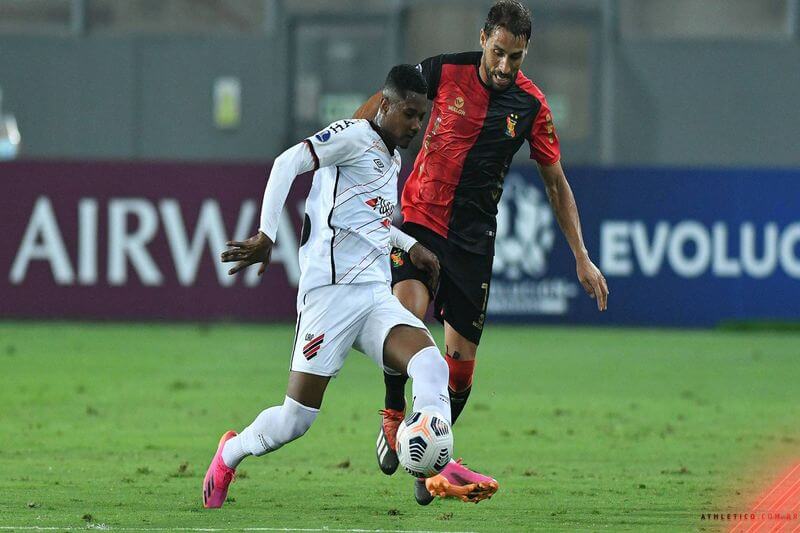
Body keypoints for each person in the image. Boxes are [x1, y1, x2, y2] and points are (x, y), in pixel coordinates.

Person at [354, 0, 609, 505]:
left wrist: (581, 254)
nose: (504, 66)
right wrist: (345, 148)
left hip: (474, 243)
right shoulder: (442, 71)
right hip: (421, 220)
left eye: (516, 58)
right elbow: (380, 106)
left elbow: (555, 183)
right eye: (498, 53)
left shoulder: (531, 106)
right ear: (484, 38)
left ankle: (425, 457)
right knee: (407, 317)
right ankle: (391, 417)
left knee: (460, 367)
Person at [203, 65, 488, 509]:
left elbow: (370, 224)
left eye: (422, 117)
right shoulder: (354, 136)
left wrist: (411, 245)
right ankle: (230, 453)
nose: (417, 125)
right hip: (329, 299)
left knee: (431, 367)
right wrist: (266, 234)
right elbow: (287, 162)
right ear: (386, 105)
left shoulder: (390, 159)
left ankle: (436, 465)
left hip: (374, 297)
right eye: (410, 115)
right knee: (294, 421)